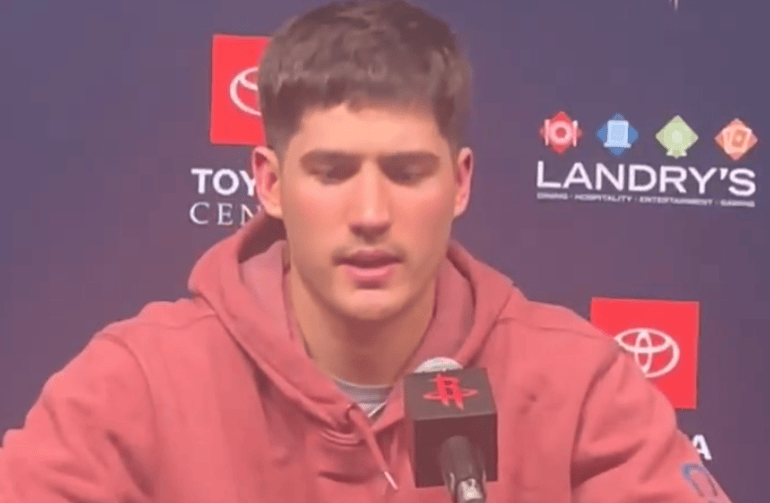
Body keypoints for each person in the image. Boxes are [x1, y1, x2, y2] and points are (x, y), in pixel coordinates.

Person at [0, 1, 733, 502]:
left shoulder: (578, 384)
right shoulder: (140, 380)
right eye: (332, 172)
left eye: (407, 173)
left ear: (460, 183)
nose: (372, 215)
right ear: (270, 183)